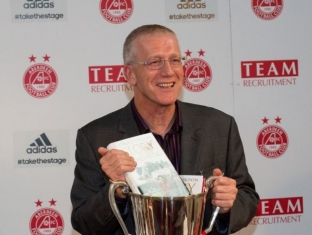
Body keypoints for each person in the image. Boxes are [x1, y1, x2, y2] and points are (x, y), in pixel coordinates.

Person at [70, 24, 259, 235]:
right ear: (130, 74)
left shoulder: (219, 126)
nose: (168, 71)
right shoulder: (96, 138)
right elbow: (83, 222)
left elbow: (247, 197)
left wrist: (226, 206)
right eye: (154, 62)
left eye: (175, 60)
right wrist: (116, 191)